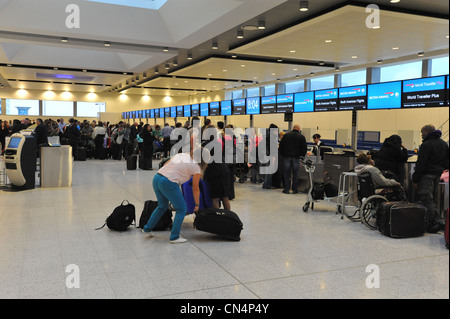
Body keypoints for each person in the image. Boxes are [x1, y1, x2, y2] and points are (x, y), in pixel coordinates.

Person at [141, 150, 208, 244]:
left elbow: (165, 165)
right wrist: (197, 204)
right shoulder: (196, 168)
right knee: (182, 209)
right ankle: (174, 237)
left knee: (162, 206)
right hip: (168, 182)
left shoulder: (182, 155)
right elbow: (195, 188)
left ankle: (147, 228)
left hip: (157, 178)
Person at [412, 125, 449, 233]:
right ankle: (437, 221)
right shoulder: (443, 144)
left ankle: (436, 222)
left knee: (426, 198)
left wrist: (415, 179)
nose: (421, 135)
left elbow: (421, 163)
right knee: (434, 199)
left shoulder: (426, 144)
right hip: (438, 175)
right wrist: (441, 168)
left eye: (422, 133)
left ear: (427, 132)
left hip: (426, 175)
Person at [279, 124, 307, 194]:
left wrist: (282, 155)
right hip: (296, 158)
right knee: (295, 174)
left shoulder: (286, 135)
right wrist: (302, 156)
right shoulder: (301, 137)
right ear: (299, 129)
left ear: (293, 128)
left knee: (286, 173)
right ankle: (295, 189)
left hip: (287, 157)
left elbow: (281, 146)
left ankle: (286, 189)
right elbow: (304, 148)